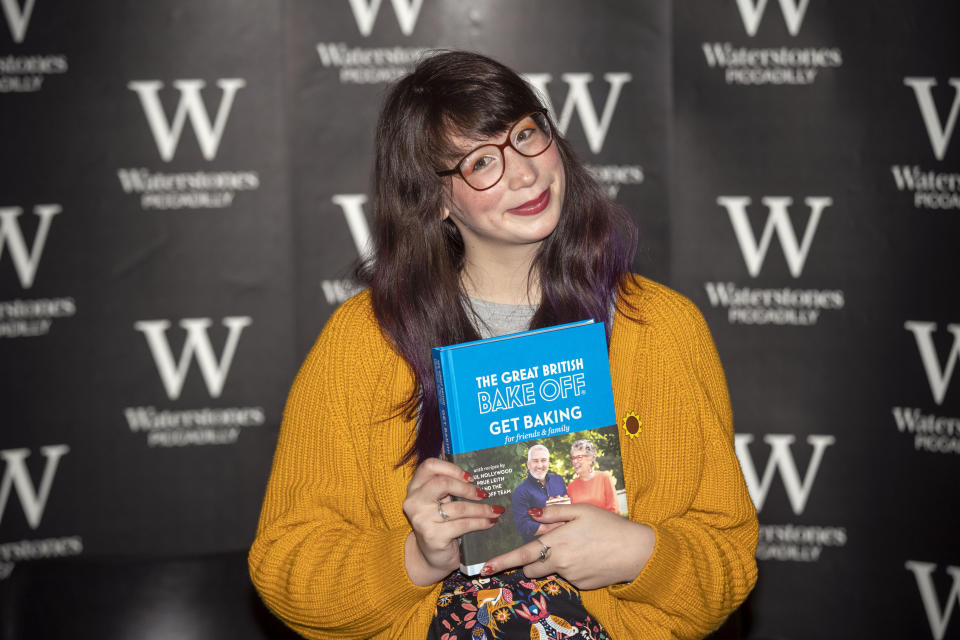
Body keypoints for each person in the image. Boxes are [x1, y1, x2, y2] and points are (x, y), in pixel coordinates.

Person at [248, 50, 758, 639]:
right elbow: (287, 567)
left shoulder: (662, 328)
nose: (524, 173)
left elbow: (729, 561)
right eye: (481, 162)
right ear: (435, 198)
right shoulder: (366, 342)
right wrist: (415, 559)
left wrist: (644, 556)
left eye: (525, 135)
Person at [512, 444, 569, 542]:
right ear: (528, 464)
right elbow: (524, 527)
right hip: (540, 546)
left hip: (565, 540)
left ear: (548, 462)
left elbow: (568, 507)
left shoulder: (559, 480)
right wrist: (553, 527)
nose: (539, 465)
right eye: (535, 461)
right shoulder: (520, 491)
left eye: (543, 460)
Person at [566, 439, 618, 513]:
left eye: (579, 457)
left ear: (591, 458)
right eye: (573, 458)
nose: (575, 461)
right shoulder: (571, 487)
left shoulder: (604, 478)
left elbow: (614, 510)